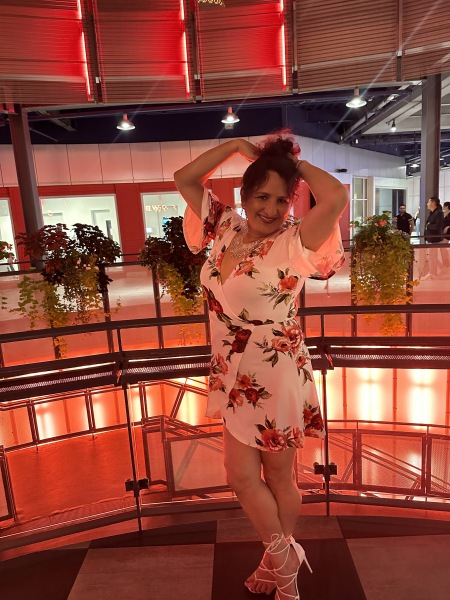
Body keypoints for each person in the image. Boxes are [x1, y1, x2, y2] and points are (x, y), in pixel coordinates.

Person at [175, 132, 348, 600]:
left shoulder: (294, 241)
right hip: (232, 368)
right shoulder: (226, 226)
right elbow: (185, 178)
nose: (271, 209)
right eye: (262, 197)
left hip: (274, 370)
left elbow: (335, 196)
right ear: (245, 194)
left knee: (276, 476)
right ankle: (284, 556)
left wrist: (290, 163)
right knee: (240, 476)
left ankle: (281, 570)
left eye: (282, 199)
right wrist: (236, 147)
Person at [423, 196, 445, 279]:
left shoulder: (439, 213)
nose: (427, 204)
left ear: (433, 203)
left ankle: (433, 273)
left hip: (434, 238)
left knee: (432, 256)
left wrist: (429, 226)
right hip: (430, 238)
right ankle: (432, 272)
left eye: (429, 202)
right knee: (431, 256)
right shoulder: (432, 213)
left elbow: (438, 226)